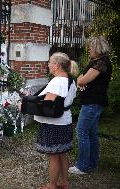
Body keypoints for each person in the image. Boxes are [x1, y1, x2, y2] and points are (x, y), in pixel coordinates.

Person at [32, 52, 78, 189]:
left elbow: (47, 104)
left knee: (53, 156)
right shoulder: (70, 80)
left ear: (57, 66)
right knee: (62, 153)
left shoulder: (57, 81)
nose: (48, 65)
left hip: (54, 124)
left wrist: (27, 105)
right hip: (65, 121)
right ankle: (64, 182)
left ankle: (52, 185)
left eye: (50, 62)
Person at [69, 36, 112, 174]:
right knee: (91, 133)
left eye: (91, 47)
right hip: (92, 102)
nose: (89, 49)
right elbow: (81, 78)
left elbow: (82, 80)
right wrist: (81, 80)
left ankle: (82, 166)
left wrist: (82, 80)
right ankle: (92, 162)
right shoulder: (97, 62)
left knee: (81, 131)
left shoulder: (101, 63)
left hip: (93, 102)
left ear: (98, 48)